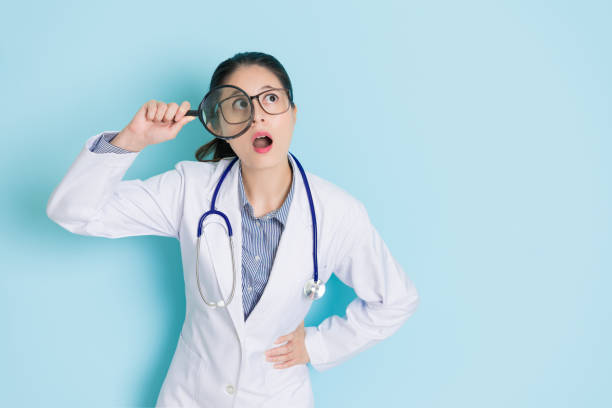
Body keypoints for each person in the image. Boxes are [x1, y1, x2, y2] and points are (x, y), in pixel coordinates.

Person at [46, 51, 420, 408]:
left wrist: (318, 346)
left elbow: (396, 299)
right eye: (240, 105)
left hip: (277, 398)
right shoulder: (190, 190)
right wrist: (132, 139)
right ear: (221, 125)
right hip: (191, 395)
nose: (258, 116)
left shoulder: (337, 213)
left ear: (293, 114)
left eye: (270, 99)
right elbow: (73, 213)